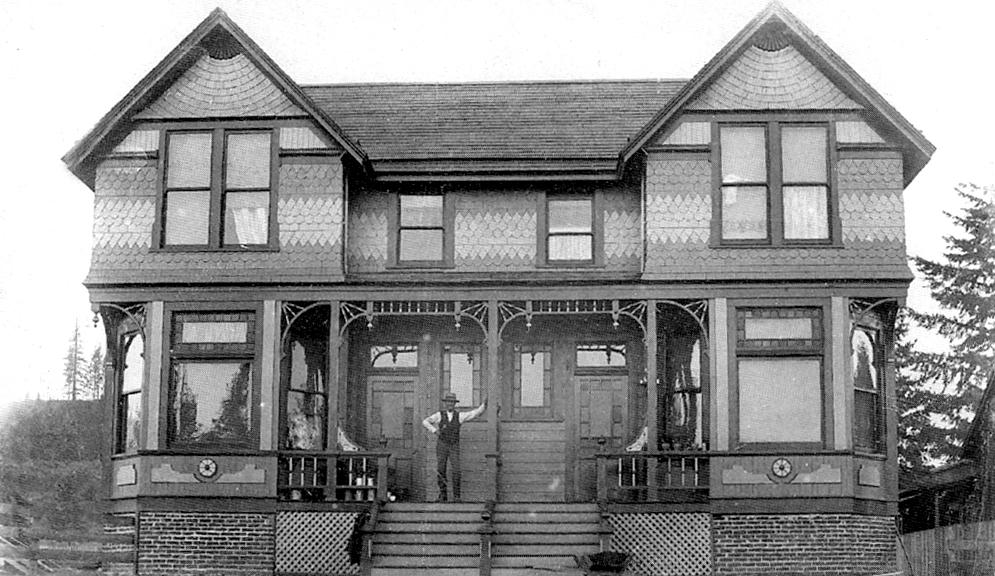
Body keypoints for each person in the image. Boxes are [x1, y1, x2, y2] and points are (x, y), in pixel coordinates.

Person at [421, 392, 486, 501]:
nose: (450, 404)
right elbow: (425, 422)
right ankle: (443, 495)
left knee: (456, 470)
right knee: (441, 469)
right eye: (448, 402)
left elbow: (474, 413)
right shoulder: (439, 415)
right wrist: (434, 431)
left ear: (454, 404)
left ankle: (457, 496)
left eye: (452, 402)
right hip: (442, 445)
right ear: (445, 403)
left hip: (454, 446)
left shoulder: (459, 416)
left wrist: (484, 404)